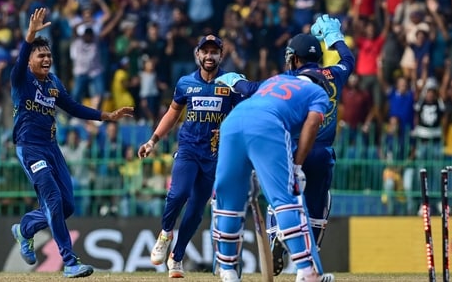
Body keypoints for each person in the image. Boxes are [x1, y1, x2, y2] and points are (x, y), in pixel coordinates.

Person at [215, 14, 355, 274]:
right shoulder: (334, 74)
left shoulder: (284, 80)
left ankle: (277, 235)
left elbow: (253, 89)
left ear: (295, 59)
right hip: (322, 153)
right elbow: (349, 60)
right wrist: (335, 38)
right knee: (319, 205)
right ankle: (309, 266)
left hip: (291, 149)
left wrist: (235, 81)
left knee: (280, 198)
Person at [9, 8, 133, 278]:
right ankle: (70, 261)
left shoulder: (53, 82)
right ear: (30, 59)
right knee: (52, 198)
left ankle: (25, 229)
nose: (46, 59)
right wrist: (30, 35)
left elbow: (73, 107)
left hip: (51, 147)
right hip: (29, 147)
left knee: (66, 207)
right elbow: (20, 58)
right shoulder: (21, 79)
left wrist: (106, 115)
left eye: (49, 56)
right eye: (41, 55)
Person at [211, 69, 333, 282]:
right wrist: (296, 166)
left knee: (228, 204)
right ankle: (306, 270)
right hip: (268, 124)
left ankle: (228, 271)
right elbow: (313, 123)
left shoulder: (275, 80)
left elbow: (245, 88)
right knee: (286, 200)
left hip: (232, 122)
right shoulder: (317, 93)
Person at [137, 34, 243, 278]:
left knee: (195, 211)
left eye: (214, 52)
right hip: (188, 149)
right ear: (197, 55)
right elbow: (172, 115)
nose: (209, 56)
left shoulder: (230, 83)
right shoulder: (185, 83)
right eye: (204, 52)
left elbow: (242, 115)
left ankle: (177, 258)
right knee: (179, 193)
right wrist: (153, 140)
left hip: (215, 155)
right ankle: (165, 233)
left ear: (221, 55)